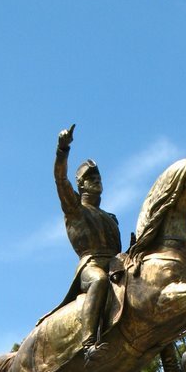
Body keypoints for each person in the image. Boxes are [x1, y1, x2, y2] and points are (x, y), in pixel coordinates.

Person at [53, 124, 122, 357]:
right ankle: (88, 342)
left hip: (116, 264)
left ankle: (170, 363)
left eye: (98, 177)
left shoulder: (110, 217)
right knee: (99, 281)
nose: (97, 180)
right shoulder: (75, 209)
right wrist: (62, 151)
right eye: (91, 178)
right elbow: (61, 180)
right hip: (91, 266)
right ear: (81, 184)